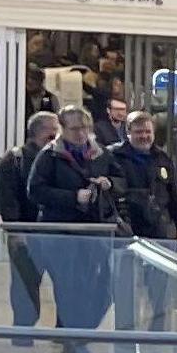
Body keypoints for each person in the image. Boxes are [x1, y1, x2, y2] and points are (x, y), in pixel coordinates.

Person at [28, 107, 119, 334]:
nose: (81, 134)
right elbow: (36, 191)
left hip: (95, 231)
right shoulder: (50, 155)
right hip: (61, 233)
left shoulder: (101, 154)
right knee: (70, 288)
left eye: (85, 128)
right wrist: (72, 197)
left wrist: (110, 183)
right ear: (62, 128)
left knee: (104, 287)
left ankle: (79, 330)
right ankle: (73, 337)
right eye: (75, 129)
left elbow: (120, 179)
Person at [0, 110, 57, 341]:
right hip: (27, 234)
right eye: (53, 132)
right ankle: (23, 333)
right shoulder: (14, 159)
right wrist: (16, 231)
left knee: (65, 285)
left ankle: (65, 333)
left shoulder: (57, 157)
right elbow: (8, 199)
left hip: (56, 234)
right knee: (25, 286)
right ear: (42, 133)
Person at [103, 109, 177, 243]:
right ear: (128, 133)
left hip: (158, 229)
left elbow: (174, 192)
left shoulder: (162, 158)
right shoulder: (112, 156)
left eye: (148, 132)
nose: (144, 136)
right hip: (127, 229)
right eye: (139, 132)